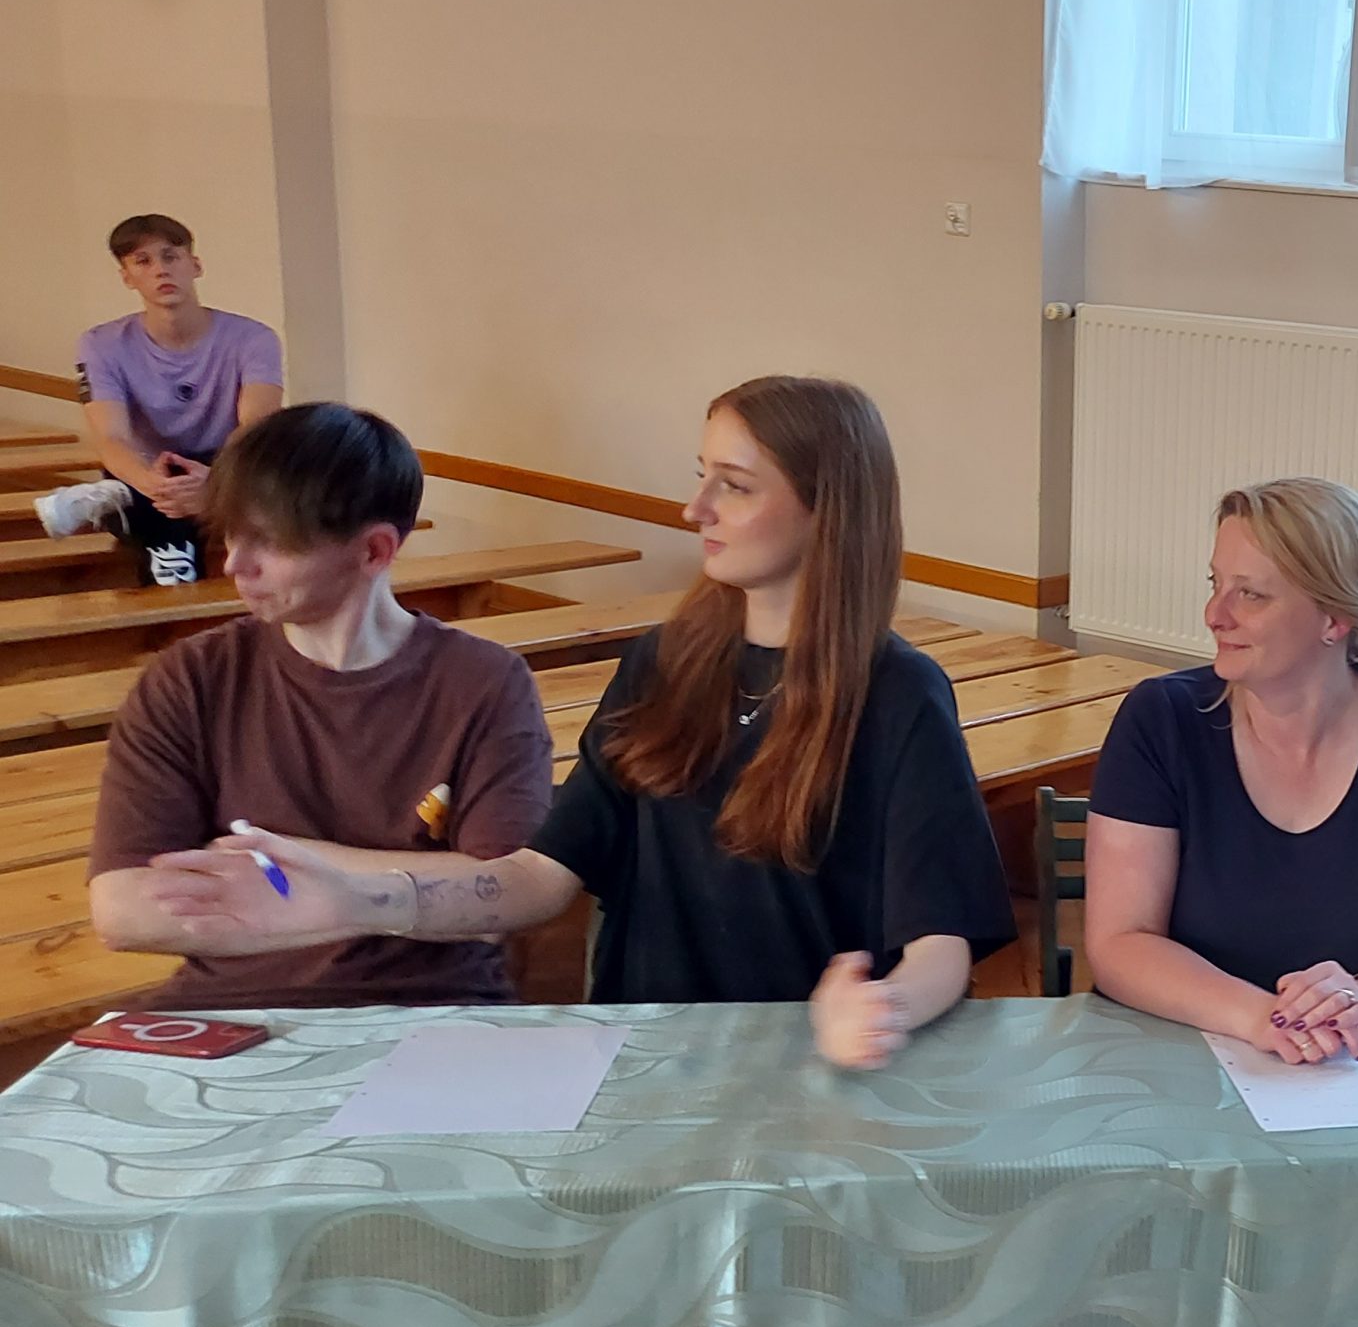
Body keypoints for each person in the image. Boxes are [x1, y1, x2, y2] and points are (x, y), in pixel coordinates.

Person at [135, 376, 1017, 1069]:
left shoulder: (899, 693)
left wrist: (883, 1007)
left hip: (801, 1059)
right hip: (648, 1053)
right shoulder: (665, 662)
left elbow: (941, 940)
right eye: (701, 475)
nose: (695, 510)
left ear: (828, 508)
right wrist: (354, 894)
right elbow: (541, 875)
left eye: (735, 486)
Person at [89, 403, 555, 1007]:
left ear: (374, 552)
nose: (235, 564)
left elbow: (506, 895)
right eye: (231, 533)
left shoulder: (486, 682)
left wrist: (307, 875)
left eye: (270, 542)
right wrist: (409, 889)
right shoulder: (191, 678)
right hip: (231, 1009)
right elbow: (122, 908)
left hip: (431, 1004)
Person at [1084, 477, 1358, 1061]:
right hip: (1178, 1044)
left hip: (1348, 1053)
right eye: (1215, 584)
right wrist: (1266, 1020)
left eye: (1250, 594)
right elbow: (1121, 942)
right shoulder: (1162, 718)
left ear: (1335, 618)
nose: (1214, 615)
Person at [46, 214, 285, 584]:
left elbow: (256, 427)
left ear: (195, 265)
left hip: (227, 463)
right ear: (127, 277)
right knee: (163, 512)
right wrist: (154, 485)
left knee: (279, 477)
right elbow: (112, 437)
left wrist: (216, 484)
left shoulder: (254, 338)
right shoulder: (100, 344)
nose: (160, 270)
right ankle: (127, 502)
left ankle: (113, 500)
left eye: (171, 256)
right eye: (143, 261)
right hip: (148, 467)